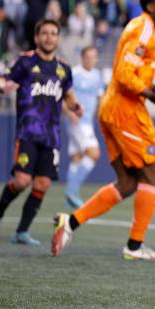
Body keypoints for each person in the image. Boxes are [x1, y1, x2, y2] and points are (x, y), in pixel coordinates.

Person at [51, 0, 155, 261]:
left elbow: (131, 71)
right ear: (151, 7)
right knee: (152, 175)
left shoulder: (145, 28)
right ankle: (134, 247)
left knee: (127, 183)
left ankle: (71, 222)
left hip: (114, 108)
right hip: (125, 110)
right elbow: (125, 74)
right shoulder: (144, 28)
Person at [0, 19, 83, 245]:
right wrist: (2, 85)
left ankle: (22, 232)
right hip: (27, 132)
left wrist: (75, 106)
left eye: (53, 33)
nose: (49, 37)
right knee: (21, 181)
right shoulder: (25, 62)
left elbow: (68, 94)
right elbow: (4, 80)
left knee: (42, 184)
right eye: (45, 33)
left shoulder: (64, 69)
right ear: (37, 37)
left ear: (58, 38)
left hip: (51, 136)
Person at [64, 46, 104, 208]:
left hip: (88, 122)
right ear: (82, 57)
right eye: (88, 57)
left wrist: (101, 115)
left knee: (76, 157)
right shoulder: (74, 73)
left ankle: (70, 196)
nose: (91, 60)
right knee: (94, 153)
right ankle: (72, 192)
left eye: (94, 57)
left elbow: (100, 97)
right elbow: (62, 95)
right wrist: (68, 112)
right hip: (77, 120)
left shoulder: (97, 75)